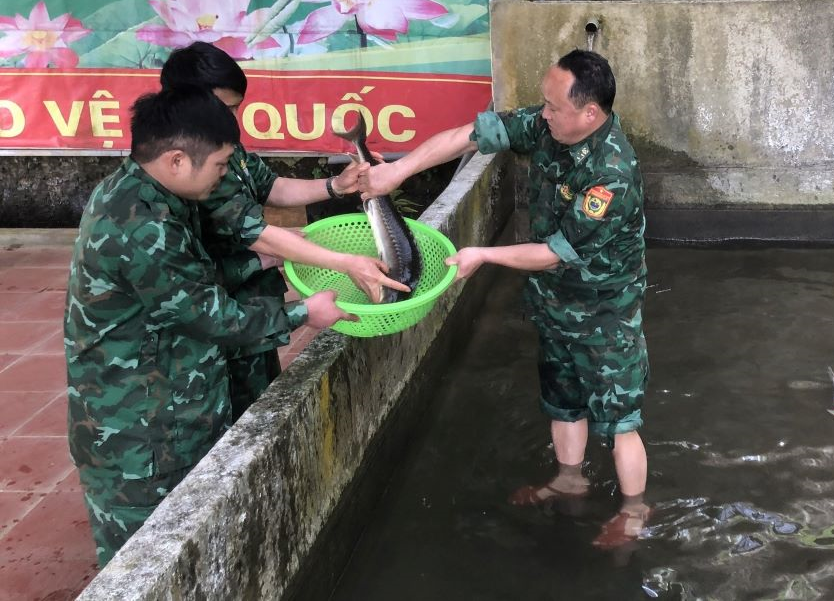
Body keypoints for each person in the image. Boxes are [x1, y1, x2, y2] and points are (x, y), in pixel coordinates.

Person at [358, 49, 650, 548]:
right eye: (544, 102)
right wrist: (397, 172)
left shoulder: (611, 173)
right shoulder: (547, 125)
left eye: (554, 106)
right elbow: (468, 136)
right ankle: (569, 479)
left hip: (605, 311)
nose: (544, 113)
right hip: (553, 303)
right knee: (562, 400)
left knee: (620, 419)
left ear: (590, 114)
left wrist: (482, 255)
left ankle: (635, 512)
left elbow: (554, 254)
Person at [64, 86, 353, 567]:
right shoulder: (143, 225)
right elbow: (215, 318)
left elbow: (182, 284)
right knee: (148, 563)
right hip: (140, 437)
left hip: (167, 408)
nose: (224, 176)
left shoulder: (141, 192)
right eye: (219, 166)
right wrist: (307, 312)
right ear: (177, 160)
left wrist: (259, 259)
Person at [160, 41, 408, 417]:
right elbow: (256, 232)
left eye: (236, 109)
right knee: (222, 415)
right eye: (227, 109)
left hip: (248, 301)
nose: (234, 120)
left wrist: (335, 187)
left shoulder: (224, 145)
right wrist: (346, 263)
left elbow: (271, 187)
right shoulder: (187, 164)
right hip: (211, 315)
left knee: (256, 402)